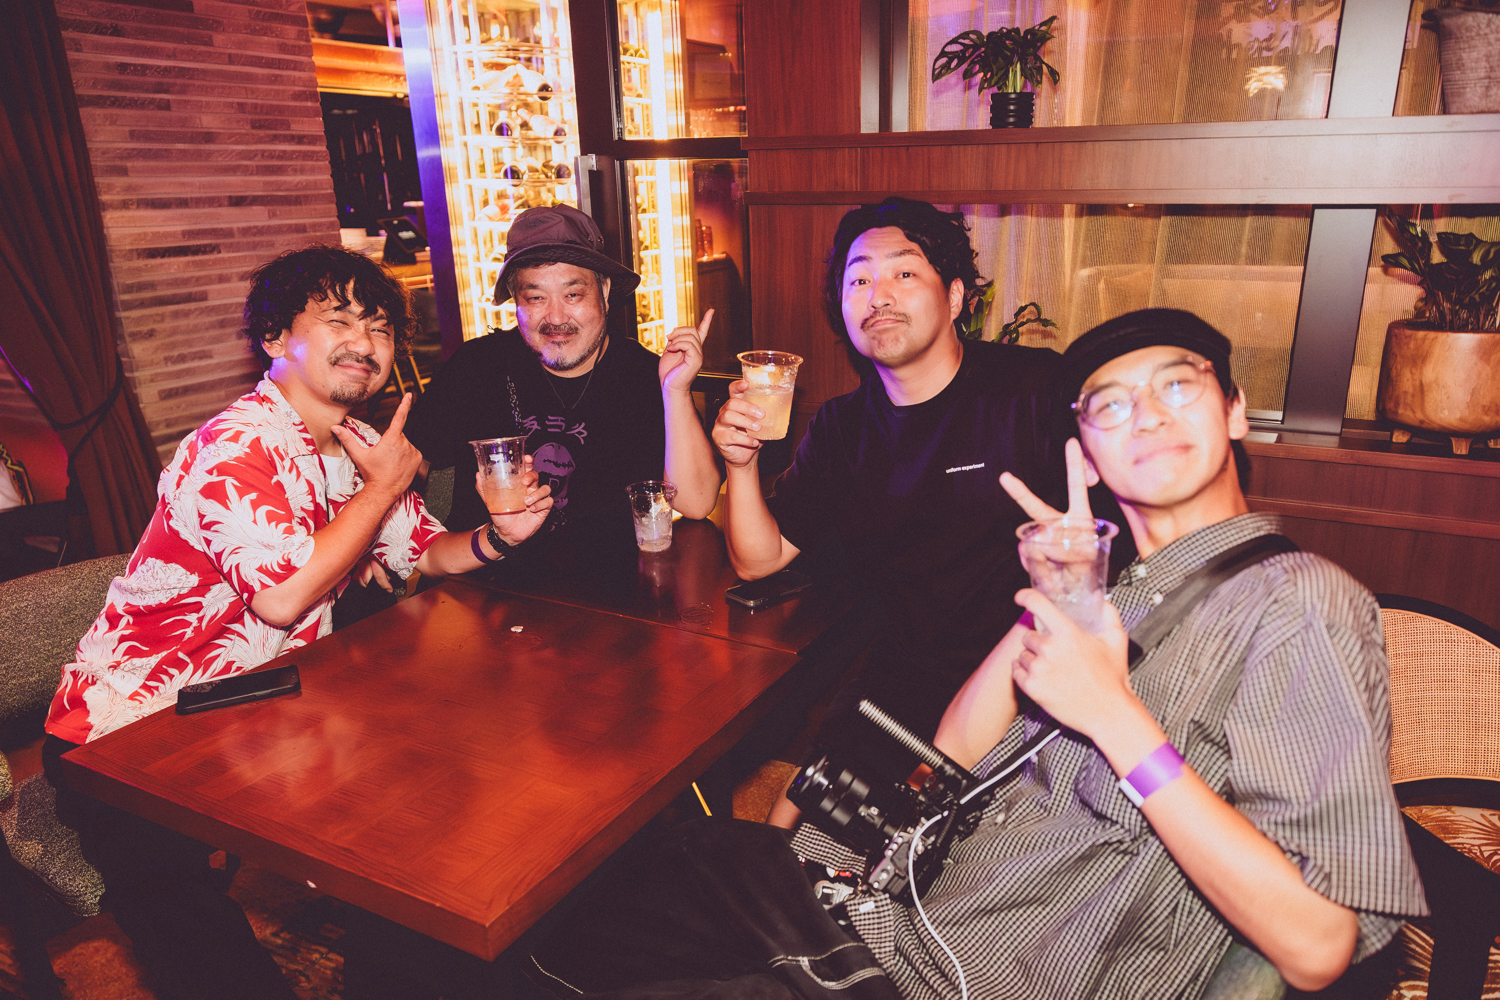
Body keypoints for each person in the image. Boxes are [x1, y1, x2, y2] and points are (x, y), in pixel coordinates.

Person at [522, 308, 1427, 1000]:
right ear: (1085, 454)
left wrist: (1116, 718)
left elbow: (1319, 946)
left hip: (950, 976)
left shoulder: (1296, 600)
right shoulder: (1123, 587)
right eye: (1111, 406)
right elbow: (957, 741)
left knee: (599, 944)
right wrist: (1065, 591)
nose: (1148, 416)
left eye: (1178, 387)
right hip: (892, 910)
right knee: (612, 881)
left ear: (1234, 413)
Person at [42, 245, 553, 1000]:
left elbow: (422, 551)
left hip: (265, 708)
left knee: (424, 808)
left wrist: (497, 537)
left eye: (381, 329)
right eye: (339, 320)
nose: (365, 343)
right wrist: (381, 489)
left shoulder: (355, 447)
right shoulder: (235, 445)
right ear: (275, 338)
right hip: (130, 728)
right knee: (179, 914)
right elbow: (280, 598)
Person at [693, 197, 1122, 819]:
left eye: (903, 272)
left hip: (1034, 681)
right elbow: (761, 561)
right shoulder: (842, 427)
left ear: (955, 297)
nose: (879, 296)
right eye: (859, 280)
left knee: (944, 859)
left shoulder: (1034, 391)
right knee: (782, 835)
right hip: (901, 686)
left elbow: (1127, 543)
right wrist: (740, 464)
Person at [403, 204, 718, 580]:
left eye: (573, 295)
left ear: (603, 290)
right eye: (536, 298)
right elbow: (407, 461)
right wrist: (381, 539)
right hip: (487, 590)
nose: (555, 318)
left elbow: (697, 503)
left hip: (609, 592)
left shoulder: (643, 375)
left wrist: (676, 392)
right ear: (517, 302)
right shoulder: (477, 366)